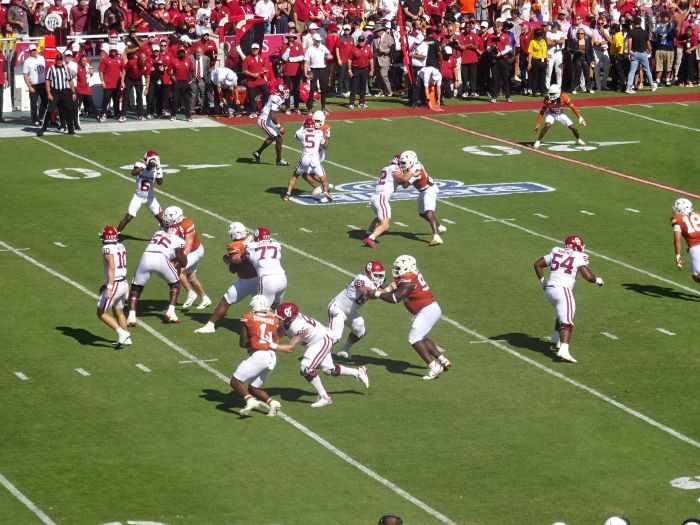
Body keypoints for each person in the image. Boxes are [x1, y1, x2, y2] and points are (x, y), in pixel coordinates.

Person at [368, 255, 452, 380]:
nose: (396, 270)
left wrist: (377, 294)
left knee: (414, 338)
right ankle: (443, 360)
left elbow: (395, 298)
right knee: (421, 337)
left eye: (399, 268)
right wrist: (381, 292)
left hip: (427, 310)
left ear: (407, 268)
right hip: (430, 309)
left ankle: (433, 366)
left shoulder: (408, 279)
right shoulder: (408, 276)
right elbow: (393, 289)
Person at [275, 302, 369, 408]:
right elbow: (278, 332)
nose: (278, 319)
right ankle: (358, 372)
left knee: (306, 368)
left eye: (281, 317)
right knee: (330, 370)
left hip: (321, 340)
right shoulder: (289, 321)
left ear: (290, 318)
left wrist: (271, 346)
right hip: (316, 341)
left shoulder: (298, 326)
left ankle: (324, 397)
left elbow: (291, 347)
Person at [533, 235, 605, 363]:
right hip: (562, 290)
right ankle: (564, 350)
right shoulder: (579, 256)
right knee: (567, 321)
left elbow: (537, 265)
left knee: (562, 311)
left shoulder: (556, 251)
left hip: (550, 290)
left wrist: (543, 282)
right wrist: (597, 280)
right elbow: (588, 276)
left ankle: (555, 338)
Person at [230, 295, 294, 417]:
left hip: (260, 355)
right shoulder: (274, 321)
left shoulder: (248, 317)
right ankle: (273, 403)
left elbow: (242, 344)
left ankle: (250, 401)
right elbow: (275, 340)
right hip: (272, 356)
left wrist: (252, 343)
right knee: (253, 388)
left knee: (235, 381)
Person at [195, 221, 259, 334]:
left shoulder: (234, 246)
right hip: (261, 277)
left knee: (225, 301)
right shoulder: (252, 238)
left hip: (247, 280)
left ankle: (210, 325)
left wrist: (228, 261)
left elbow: (233, 269)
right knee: (265, 304)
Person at [127, 227, 188, 326]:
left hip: (146, 257)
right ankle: (171, 312)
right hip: (161, 258)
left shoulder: (158, 233)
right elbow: (183, 263)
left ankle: (131, 317)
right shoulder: (178, 240)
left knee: (136, 287)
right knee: (175, 284)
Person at [328, 261, 386, 360]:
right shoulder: (360, 279)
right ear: (368, 273)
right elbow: (367, 292)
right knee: (335, 337)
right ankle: (316, 350)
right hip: (338, 308)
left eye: (381, 275)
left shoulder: (374, 282)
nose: (379, 278)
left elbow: (388, 288)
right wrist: (387, 290)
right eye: (376, 275)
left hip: (350, 312)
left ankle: (344, 350)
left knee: (361, 331)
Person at [162, 206, 211, 310]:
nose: (167, 222)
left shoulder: (187, 224)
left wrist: (176, 259)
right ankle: (205, 298)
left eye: (170, 220)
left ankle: (190, 293)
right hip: (185, 251)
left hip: (194, 251)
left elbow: (188, 246)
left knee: (177, 270)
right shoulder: (169, 224)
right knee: (191, 278)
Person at [395, 150, 446, 246]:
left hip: (429, 189)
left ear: (411, 161)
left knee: (429, 213)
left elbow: (405, 185)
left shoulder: (416, 171)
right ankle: (438, 227)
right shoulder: (414, 165)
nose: (402, 164)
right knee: (422, 214)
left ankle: (437, 237)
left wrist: (395, 177)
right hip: (423, 190)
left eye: (404, 162)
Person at [96, 226, 131, 348]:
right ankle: (127, 338)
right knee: (118, 311)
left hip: (115, 283)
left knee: (101, 312)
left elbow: (112, 267)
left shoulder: (107, 248)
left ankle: (122, 333)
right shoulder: (121, 246)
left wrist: (109, 287)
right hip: (123, 282)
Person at [281, 117, 330, 201]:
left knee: (294, 176)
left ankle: (287, 195)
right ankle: (325, 190)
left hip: (305, 158)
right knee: (324, 179)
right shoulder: (319, 133)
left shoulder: (301, 133)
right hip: (315, 158)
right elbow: (325, 146)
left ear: (305, 125)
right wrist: (327, 137)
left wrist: (302, 126)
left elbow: (296, 135)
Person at [363, 155, 405, 249]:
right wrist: (412, 172)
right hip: (381, 197)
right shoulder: (395, 167)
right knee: (385, 224)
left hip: (375, 197)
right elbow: (402, 178)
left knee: (379, 218)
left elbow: (403, 183)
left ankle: (368, 233)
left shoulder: (386, 168)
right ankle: (370, 238)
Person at [116, 151, 165, 233]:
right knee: (128, 217)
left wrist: (159, 169)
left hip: (150, 198)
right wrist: (145, 166)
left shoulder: (157, 170)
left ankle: (166, 235)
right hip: (138, 196)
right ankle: (116, 234)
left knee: (163, 220)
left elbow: (160, 183)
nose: (153, 162)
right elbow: (133, 173)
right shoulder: (139, 164)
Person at [243, 227, 287, 309]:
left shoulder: (251, 246)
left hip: (267, 280)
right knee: (277, 307)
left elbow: (245, 257)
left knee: (260, 309)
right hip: (282, 278)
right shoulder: (276, 245)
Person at [532, 84, 586, 149]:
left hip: (560, 114)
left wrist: (579, 117)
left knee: (573, 128)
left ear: (558, 93)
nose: (551, 95)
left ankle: (579, 139)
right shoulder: (547, 99)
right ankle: (538, 141)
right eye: (550, 93)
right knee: (547, 125)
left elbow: (572, 107)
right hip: (551, 113)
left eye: (553, 94)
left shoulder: (564, 97)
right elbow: (542, 111)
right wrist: (538, 123)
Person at [37, 54, 77, 137]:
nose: (59, 61)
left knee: (69, 110)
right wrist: (49, 93)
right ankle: (43, 128)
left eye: (60, 60)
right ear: (55, 60)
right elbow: (47, 81)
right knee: (50, 110)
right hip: (55, 93)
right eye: (58, 60)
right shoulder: (51, 69)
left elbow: (70, 81)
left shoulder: (66, 68)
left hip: (65, 92)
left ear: (62, 60)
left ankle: (71, 129)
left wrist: (73, 92)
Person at [252, 83, 289, 166]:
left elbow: (274, 108)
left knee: (275, 137)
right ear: (280, 91)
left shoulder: (276, 97)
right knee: (278, 138)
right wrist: (279, 127)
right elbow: (272, 115)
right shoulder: (277, 98)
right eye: (285, 91)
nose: (286, 92)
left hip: (266, 120)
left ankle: (258, 153)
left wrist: (283, 110)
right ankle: (279, 160)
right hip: (264, 121)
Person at [671, 198, 700, 283]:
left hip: (695, 247)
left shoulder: (678, 218)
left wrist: (678, 255)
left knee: (697, 276)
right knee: (696, 277)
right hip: (694, 248)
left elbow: (677, 239)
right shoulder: (698, 214)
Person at [625, 16, 657, 93]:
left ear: (633, 23)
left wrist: (629, 53)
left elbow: (629, 43)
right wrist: (650, 51)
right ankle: (652, 85)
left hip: (634, 53)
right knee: (647, 70)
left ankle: (628, 87)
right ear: (640, 23)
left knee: (632, 71)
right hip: (643, 53)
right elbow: (648, 43)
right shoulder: (644, 32)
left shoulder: (631, 32)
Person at [303, 33, 332, 114]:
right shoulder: (309, 49)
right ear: (314, 40)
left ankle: (323, 107)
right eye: (317, 41)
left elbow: (330, 55)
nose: (319, 42)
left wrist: (328, 57)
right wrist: (305, 73)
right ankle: (309, 108)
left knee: (323, 89)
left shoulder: (323, 47)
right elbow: (306, 62)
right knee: (312, 89)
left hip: (322, 69)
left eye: (319, 40)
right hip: (314, 70)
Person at [487, 20, 513, 103]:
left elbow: (508, 48)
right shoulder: (490, 36)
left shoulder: (506, 36)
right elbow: (488, 48)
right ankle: (494, 96)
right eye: (495, 27)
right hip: (494, 59)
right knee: (495, 78)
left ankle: (507, 97)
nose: (497, 29)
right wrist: (492, 49)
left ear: (501, 27)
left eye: (498, 27)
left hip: (503, 59)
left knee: (505, 78)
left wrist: (501, 53)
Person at [98, 45, 126, 123]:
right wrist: (102, 81)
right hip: (107, 84)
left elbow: (124, 70)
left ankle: (117, 113)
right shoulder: (105, 59)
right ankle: (103, 114)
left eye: (115, 51)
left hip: (117, 84)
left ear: (117, 51)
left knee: (116, 99)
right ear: (110, 51)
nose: (113, 52)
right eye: (112, 51)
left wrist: (122, 81)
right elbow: (100, 71)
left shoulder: (120, 59)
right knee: (106, 99)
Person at [280, 31, 305, 113]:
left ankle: (296, 107)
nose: (291, 39)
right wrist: (288, 49)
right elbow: (284, 58)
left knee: (296, 89)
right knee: (287, 90)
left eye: (292, 37)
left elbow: (301, 57)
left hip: (297, 71)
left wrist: (291, 59)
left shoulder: (299, 45)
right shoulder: (284, 46)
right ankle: (287, 107)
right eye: (289, 37)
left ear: (294, 38)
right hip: (287, 71)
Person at [23, 44, 47, 126]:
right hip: (33, 85)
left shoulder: (42, 58)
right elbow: (25, 75)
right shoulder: (27, 61)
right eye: (32, 50)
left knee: (45, 101)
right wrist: (29, 86)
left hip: (43, 84)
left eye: (35, 50)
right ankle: (35, 120)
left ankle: (41, 117)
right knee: (33, 103)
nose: (34, 51)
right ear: (29, 51)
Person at [347, 34, 373, 109]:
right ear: (358, 41)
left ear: (365, 41)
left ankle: (362, 102)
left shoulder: (368, 49)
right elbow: (349, 60)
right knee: (354, 86)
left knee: (363, 86)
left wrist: (372, 69)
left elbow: (371, 59)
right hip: (356, 69)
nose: (361, 42)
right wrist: (349, 70)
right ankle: (351, 102)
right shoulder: (354, 49)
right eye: (360, 41)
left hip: (364, 69)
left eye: (363, 41)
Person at [169, 46, 194, 121]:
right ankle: (173, 115)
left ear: (185, 53)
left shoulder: (188, 61)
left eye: (183, 52)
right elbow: (168, 70)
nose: (182, 53)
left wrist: (193, 78)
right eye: (180, 52)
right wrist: (172, 76)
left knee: (187, 100)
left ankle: (188, 116)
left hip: (185, 83)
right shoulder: (174, 60)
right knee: (175, 99)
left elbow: (192, 70)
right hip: (176, 82)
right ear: (178, 53)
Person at [124, 52, 150, 120]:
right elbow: (124, 70)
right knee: (126, 95)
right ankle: (123, 115)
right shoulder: (131, 62)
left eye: (144, 61)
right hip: (129, 78)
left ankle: (140, 115)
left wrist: (147, 88)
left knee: (139, 96)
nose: (143, 62)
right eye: (142, 61)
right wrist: (122, 82)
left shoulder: (147, 65)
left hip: (138, 79)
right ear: (139, 59)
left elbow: (147, 77)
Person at [190, 45, 211, 113]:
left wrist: (208, 80)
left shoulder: (206, 59)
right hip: (193, 78)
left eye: (200, 52)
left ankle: (203, 108)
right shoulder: (190, 58)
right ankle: (192, 109)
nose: (198, 54)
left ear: (202, 52)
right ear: (195, 52)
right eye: (197, 52)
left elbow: (207, 70)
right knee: (193, 93)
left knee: (203, 93)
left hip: (202, 78)